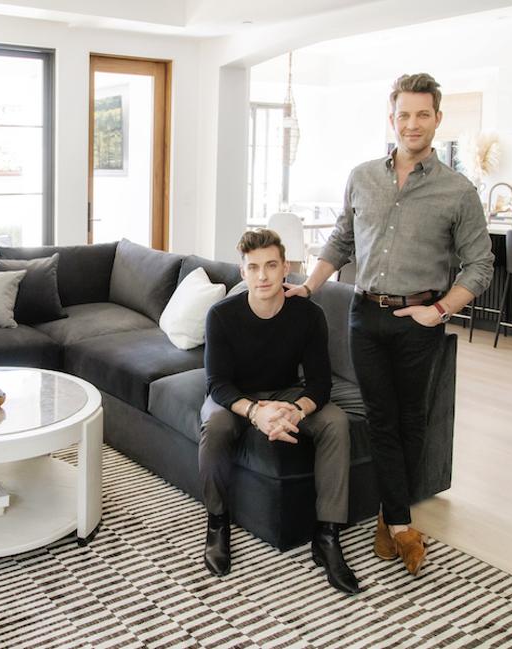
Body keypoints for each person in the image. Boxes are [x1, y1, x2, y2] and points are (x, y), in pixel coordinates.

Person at [285, 73, 493, 576]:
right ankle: (398, 522)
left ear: (437, 120)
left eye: (423, 114)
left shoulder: (458, 191)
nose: (412, 124)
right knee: (381, 418)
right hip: (365, 314)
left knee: (411, 422)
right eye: (404, 114)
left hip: (419, 318)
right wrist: (309, 288)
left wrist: (440, 310)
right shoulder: (362, 176)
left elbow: (480, 266)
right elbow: (340, 240)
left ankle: (391, 517)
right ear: (392, 117)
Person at [199, 229, 359, 595]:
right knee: (216, 425)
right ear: (242, 272)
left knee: (335, 421)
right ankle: (216, 524)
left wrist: (295, 412)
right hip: (237, 396)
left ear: (286, 267)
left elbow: (320, 383)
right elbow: (217, 385)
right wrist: (256, 413)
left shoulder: (308, 315)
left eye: (271, 265)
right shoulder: (221, 315)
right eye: (253, 267)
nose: (263, 276)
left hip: (286, 394)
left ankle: (327, 535)